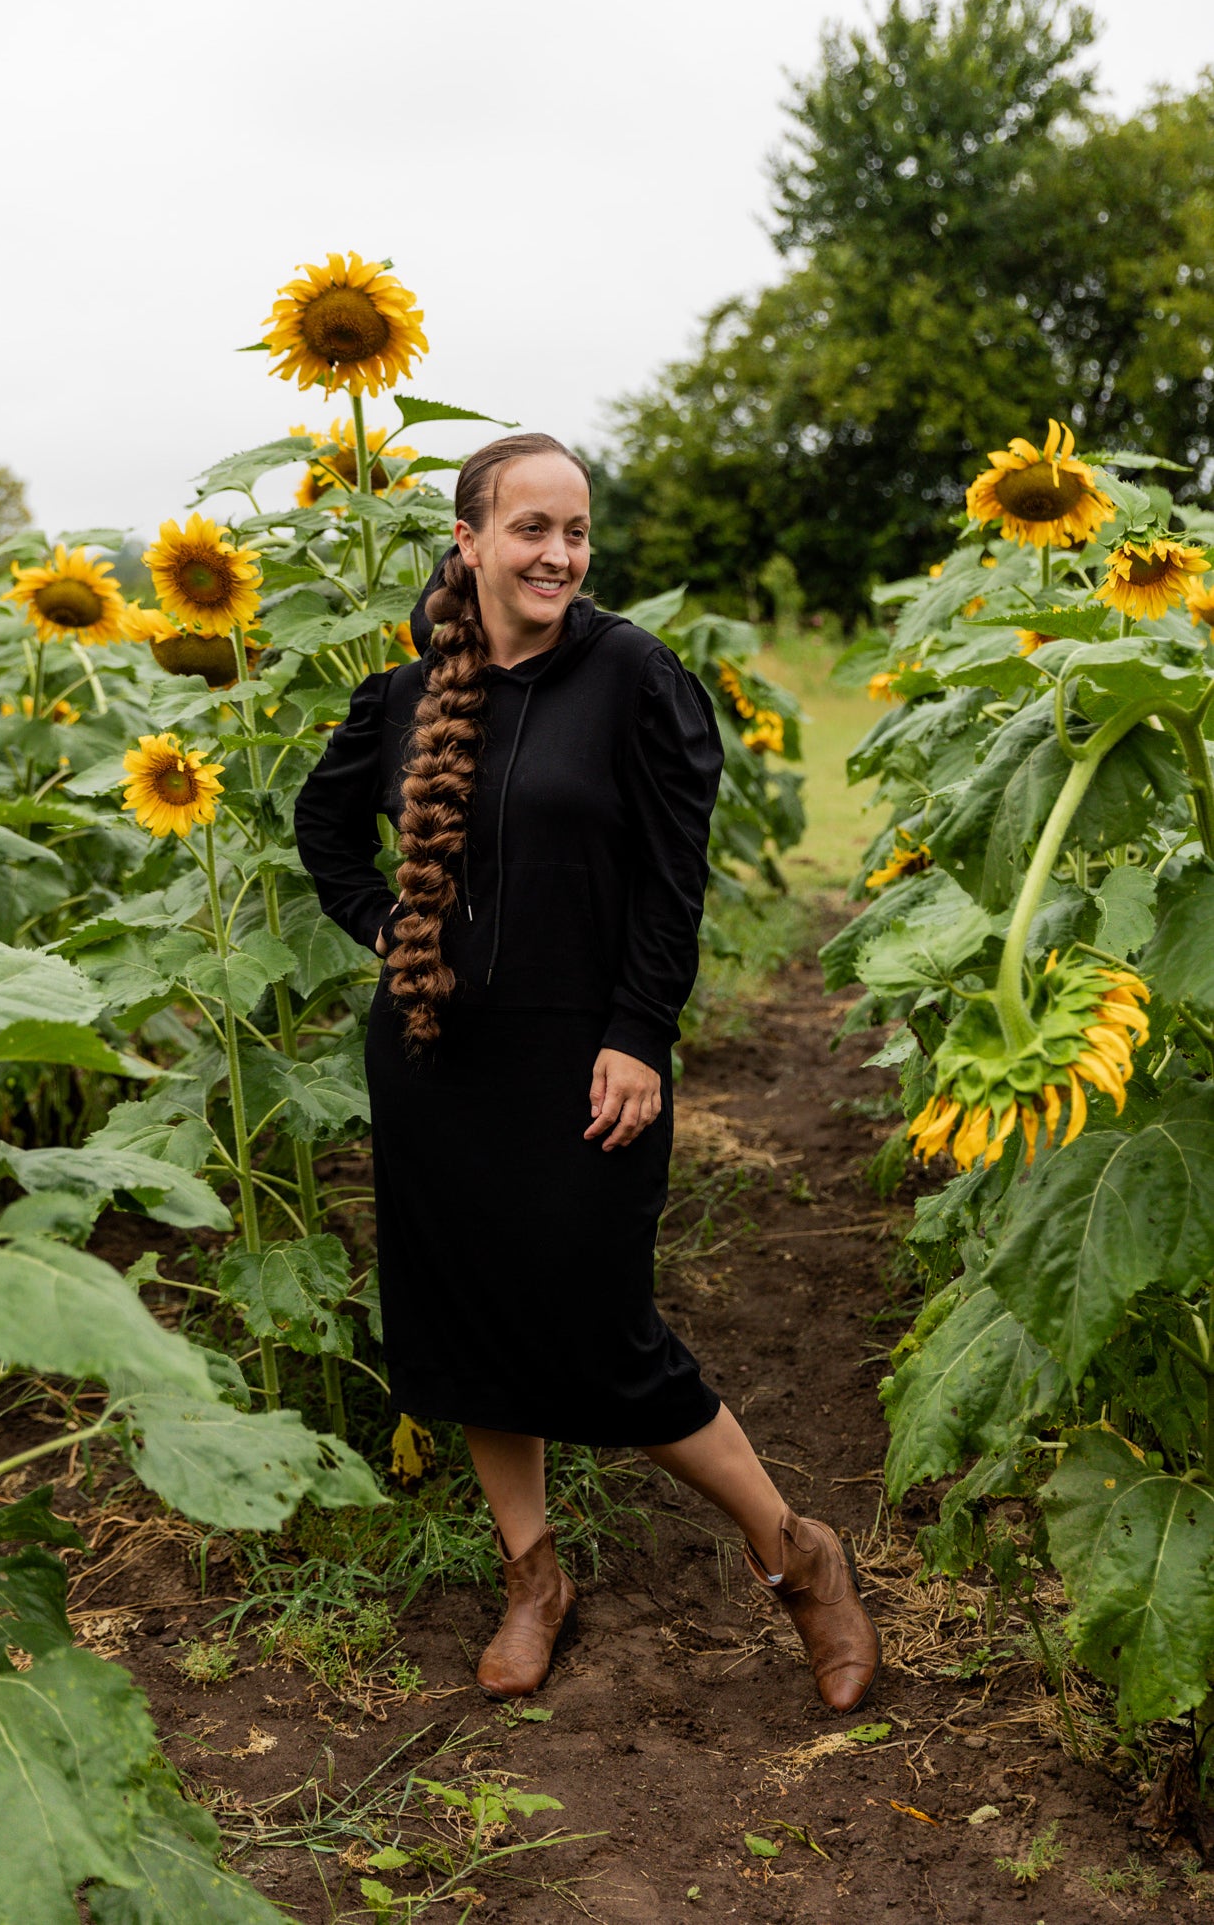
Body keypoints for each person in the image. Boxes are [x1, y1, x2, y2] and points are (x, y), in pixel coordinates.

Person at [293, 433, 879, 1712]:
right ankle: (533, 1579)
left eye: (576, 531)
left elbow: (676, 882)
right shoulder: (401, 702)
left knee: (600, 1336)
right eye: (532, 529)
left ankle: (798, 1557)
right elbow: (322, 826)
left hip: (586, 1059)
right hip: (436, 1058)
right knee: (468, 1329)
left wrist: (640, 1032)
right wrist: (382, 928)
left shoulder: (633, 678)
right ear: (470, 543)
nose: (559, 553)